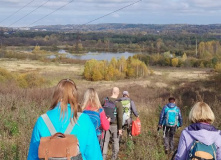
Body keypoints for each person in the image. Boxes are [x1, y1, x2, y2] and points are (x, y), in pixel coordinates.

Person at [27, 79, 102, 160]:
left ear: (55, 95)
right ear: (75, 95)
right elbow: (94, 156)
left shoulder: (42, 121)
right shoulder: (84, 120)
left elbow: (33, 156)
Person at [101, 87, 123, 160]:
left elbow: (100, 111)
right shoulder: (119, 103)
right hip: (115, 126)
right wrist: (120, 128)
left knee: (105, 142)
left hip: (105, 125)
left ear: (111, 92)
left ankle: (103, 157)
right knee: (115, 142)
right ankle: (114, 158)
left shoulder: (105, 100)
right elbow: (120, 117)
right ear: (117, 93)